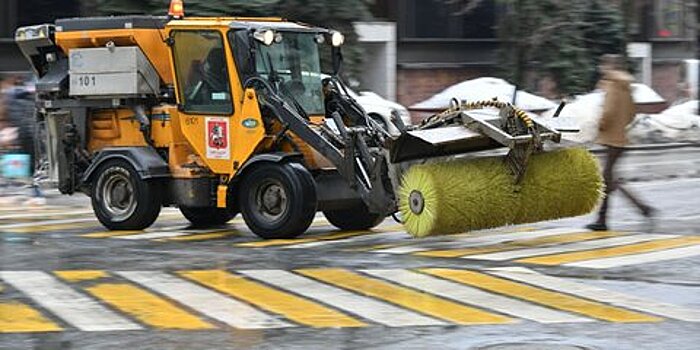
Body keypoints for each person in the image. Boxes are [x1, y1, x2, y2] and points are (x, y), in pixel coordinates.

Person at [586, 54, 655, 231]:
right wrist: (620, 125)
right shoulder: (626, 85)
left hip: (611, 138)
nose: (601, 68)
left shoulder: (612, 84)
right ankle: (641, 209)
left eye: (603, 65)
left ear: (609, 66)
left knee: (607, 179)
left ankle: (604, 220)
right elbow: (632, 112)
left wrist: (601, 125)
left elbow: (608, 111)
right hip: (620, 137)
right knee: (609, 179)